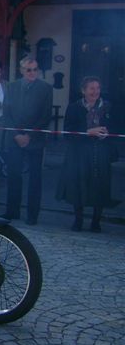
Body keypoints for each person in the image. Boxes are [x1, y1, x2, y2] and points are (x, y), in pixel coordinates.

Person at [56, 76, 115, 232]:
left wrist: (107, 133)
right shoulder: (74, 107)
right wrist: (87, 132)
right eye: (91, 88)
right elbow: (68, 132)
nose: (95, 92)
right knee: (79, 185)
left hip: (100, 151)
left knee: (100, 185)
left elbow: (116, 129)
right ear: (83, 90)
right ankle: (78, 220)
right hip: (79, 152)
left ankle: (96, 221)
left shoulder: (107, 107)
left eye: (97, 88)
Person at [0, 56, 53, 225]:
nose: (32, 73)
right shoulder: (12, 87)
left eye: (35, 69)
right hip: (15, 137)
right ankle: (12, 210)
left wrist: (29, 136)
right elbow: (6, 114)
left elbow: (45, 116)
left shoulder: (45, 88)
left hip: (34, 139)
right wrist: (16, 135)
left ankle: (32, 215)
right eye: (28, 70)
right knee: (14, 174)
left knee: (35, 178)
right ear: (22, 70)